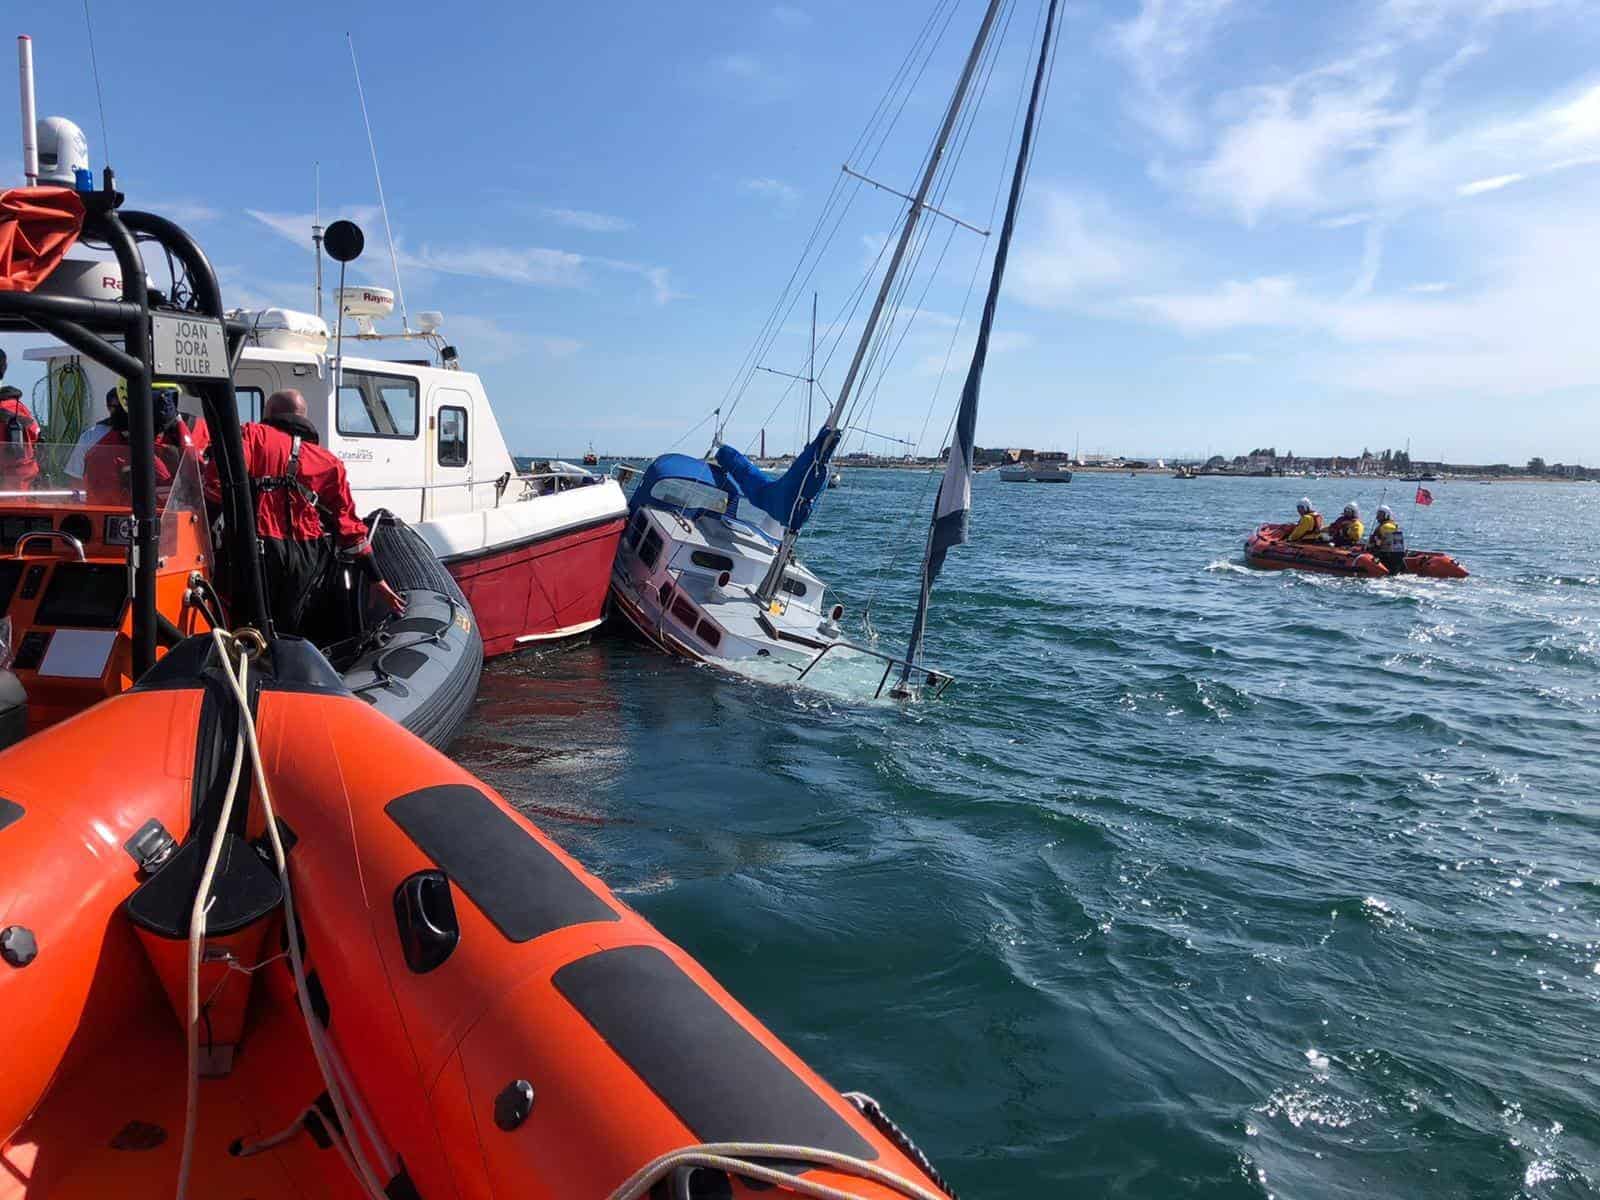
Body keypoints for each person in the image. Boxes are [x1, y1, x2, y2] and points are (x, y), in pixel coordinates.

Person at [217, 388, 405, 636]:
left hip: (258, 549)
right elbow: (350, 528)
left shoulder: (252, 435)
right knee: (293, 624)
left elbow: (216, 485)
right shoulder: (329, 462)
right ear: (304, 417)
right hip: (308, 556)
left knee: (245, 625)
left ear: (269, 413)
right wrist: (377, 579)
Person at [82, 380, 199, 505]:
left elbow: (203, 487)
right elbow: (107, 511)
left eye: (169, 396)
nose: (165, 404)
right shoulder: (105, 454)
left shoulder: (192, 430)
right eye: (159, 398)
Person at [0, 385, 40, 492]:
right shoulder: (21, 407)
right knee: (19, 504)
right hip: (24, 466)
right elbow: (35, 433)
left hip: (5, 468)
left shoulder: (2, 406)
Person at [1368, 504, 1407, 574]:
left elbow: (1378, 543)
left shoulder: (1385, 527)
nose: (1378, 517)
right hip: (1397, 557)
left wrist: (1370, 547)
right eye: (1378, 514)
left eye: (1380, 514)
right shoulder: (1393, 525)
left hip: (1384, 556)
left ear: (1386, 515)